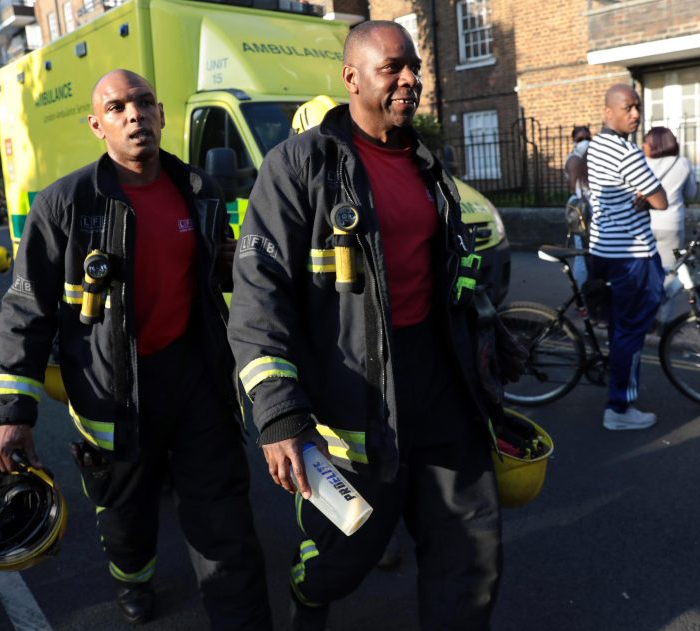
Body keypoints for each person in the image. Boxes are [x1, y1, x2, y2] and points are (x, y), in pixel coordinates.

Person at [227, 22, 502, 630]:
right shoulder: (299, 167)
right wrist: (278, 410)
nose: (411, 80)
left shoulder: (429, 164)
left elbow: (445, 280)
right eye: (394, 68)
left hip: (438, 385)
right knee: (347, 553)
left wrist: (486, 360)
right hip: (353, 394)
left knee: (470, 548)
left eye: (416, 70)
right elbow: (257, 297)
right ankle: (310, 593)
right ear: (351, 78)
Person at [0, 70, 272, 628]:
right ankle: (132, 580)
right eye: (117, 108)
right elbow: (25, 310)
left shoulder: (198, 190)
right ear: (97, 125)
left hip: (196, 383)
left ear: (162, 114)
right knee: (127, 512)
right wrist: (12, 414)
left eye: (143, 103)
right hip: (111, 392)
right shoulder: (65, 203)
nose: (133, 115)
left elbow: (213, 271)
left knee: (225, 519)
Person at [585, 85, 668, 431]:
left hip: (604, 251)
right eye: (628, 108)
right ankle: (619, 409)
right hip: (633, 255)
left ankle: (620, 390)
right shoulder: (627, 152)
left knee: (621, 327)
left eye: (637, 107)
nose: (635, 114)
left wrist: (640, 195)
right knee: (631, 332)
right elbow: (661, 200)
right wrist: (647, 195)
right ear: (609, 111)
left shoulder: (596, 146)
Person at [642, 126, 696, 325]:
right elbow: (691, 193)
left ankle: (646, 318)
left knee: (645, 272)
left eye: (646, 141)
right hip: (671, 224)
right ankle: (663, 321)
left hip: (645, 223)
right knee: (670, 273)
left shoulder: (642, 163)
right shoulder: (683, 163)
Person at [564, 126, 592, 287]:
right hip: (581, 208)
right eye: (580, 139)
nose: (585, 142)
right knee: (582, 253)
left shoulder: (586, 157)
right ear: (574, 141)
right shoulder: (575, 159)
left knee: (587, 253)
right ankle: (581, 294)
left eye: (587, 138)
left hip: (586, 206)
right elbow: (575, 187)